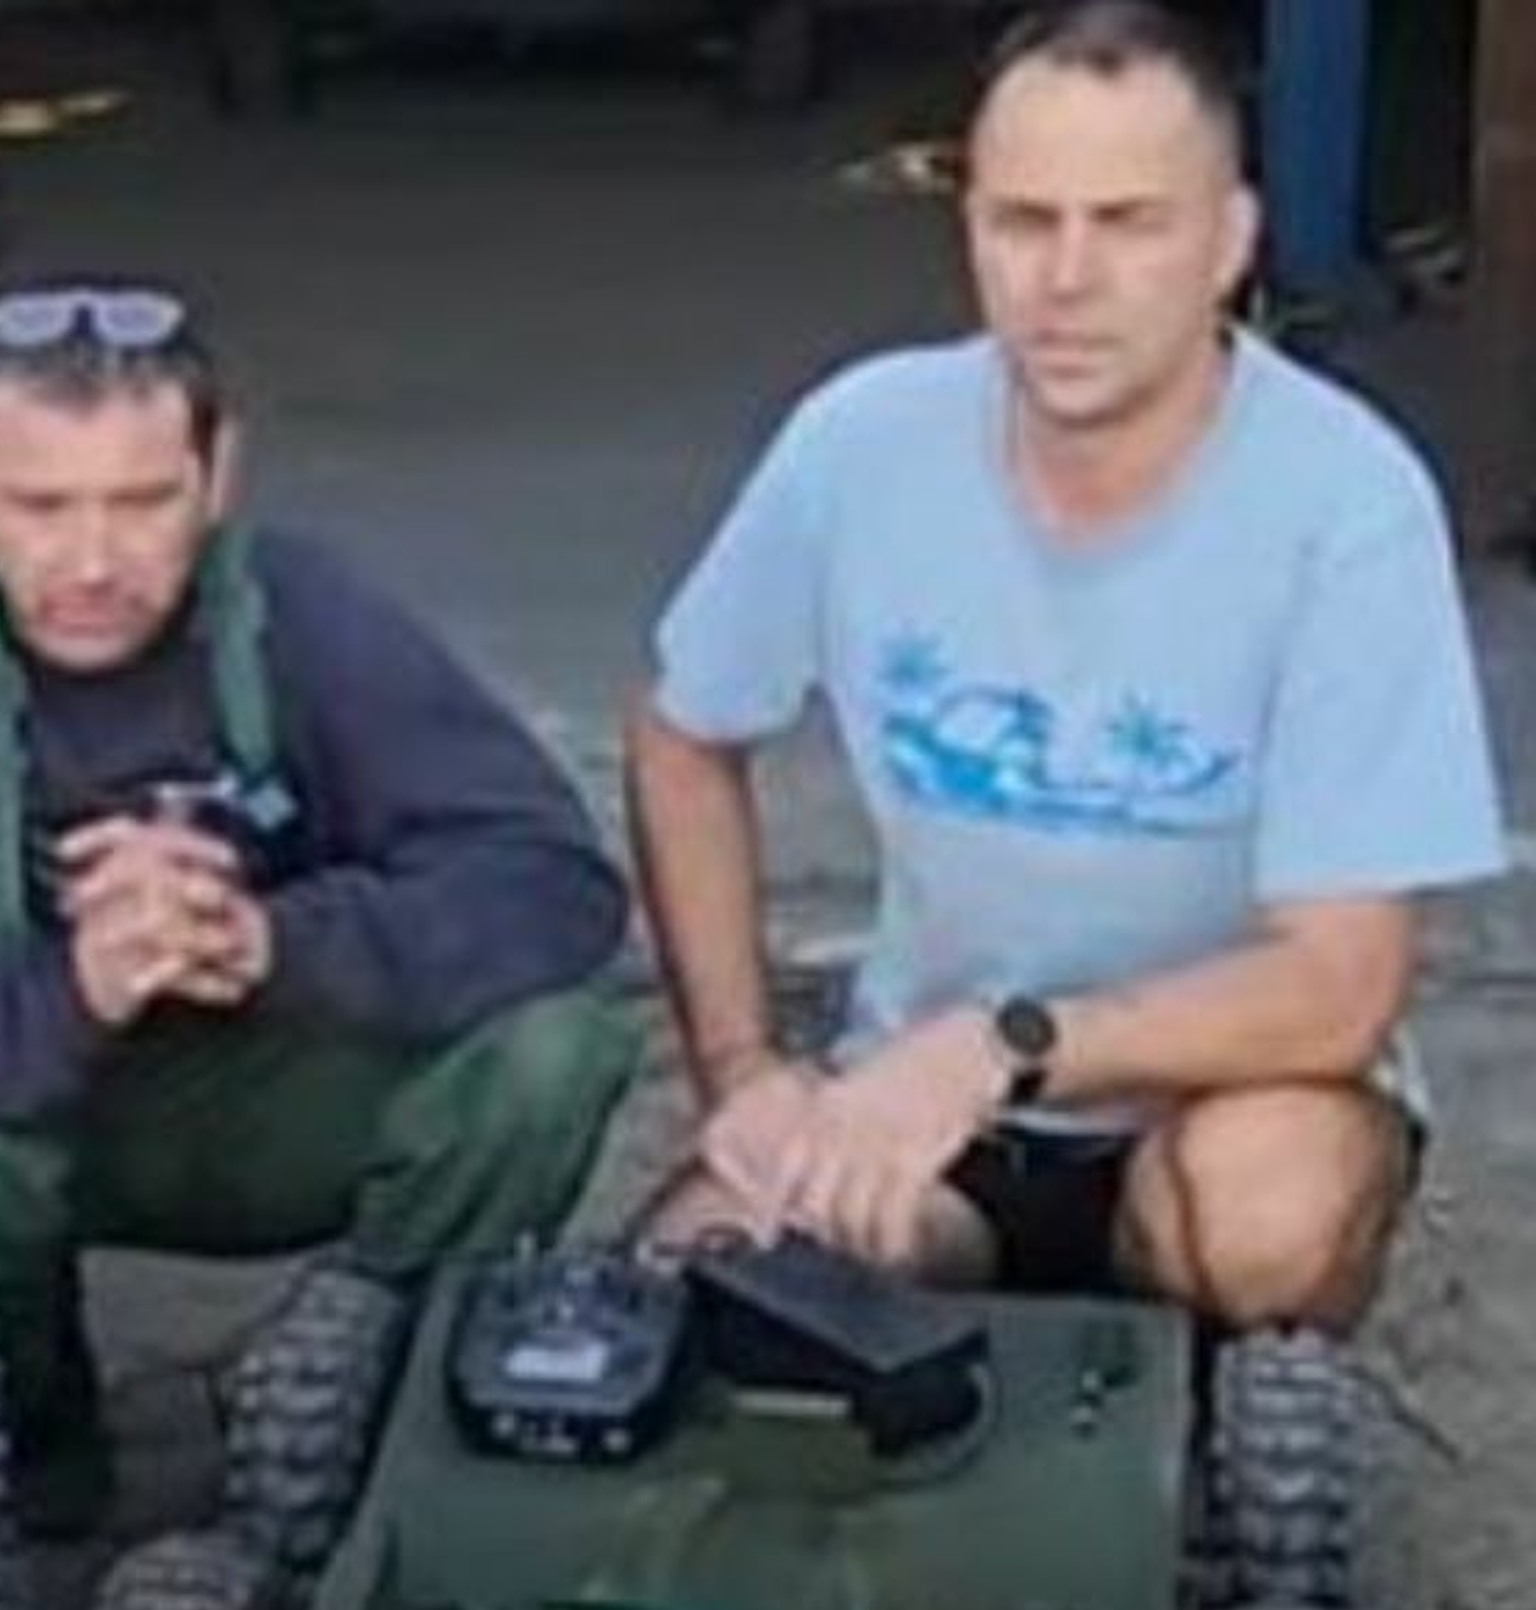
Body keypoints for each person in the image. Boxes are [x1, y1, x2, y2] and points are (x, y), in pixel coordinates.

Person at [633, 0, 1504, 1325]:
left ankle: (1224, 1395)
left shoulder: (1347, 501)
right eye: (1025, 221)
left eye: (1130, 223)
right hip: (923, 1104)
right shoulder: (861, 444)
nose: (1068, 279)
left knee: (1268, 1215)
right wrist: (742, 1069)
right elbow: (684, 734)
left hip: (1223, 1100)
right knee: (708, 1274)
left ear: (1229, 243)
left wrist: (1011, 1047)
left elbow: (1341, 986)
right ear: (970, 230)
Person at [0, 285, 634, 1489]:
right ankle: (23, 1443)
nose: (92, 562)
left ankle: (367, 1402)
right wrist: (70, 990)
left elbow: (554, 886)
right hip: (21, 1115)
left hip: (276, 1093)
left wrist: (269, 940)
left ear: (218, 473)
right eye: (40, 507)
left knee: (553, 1053)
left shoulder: (302, 614)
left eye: (143, 504)